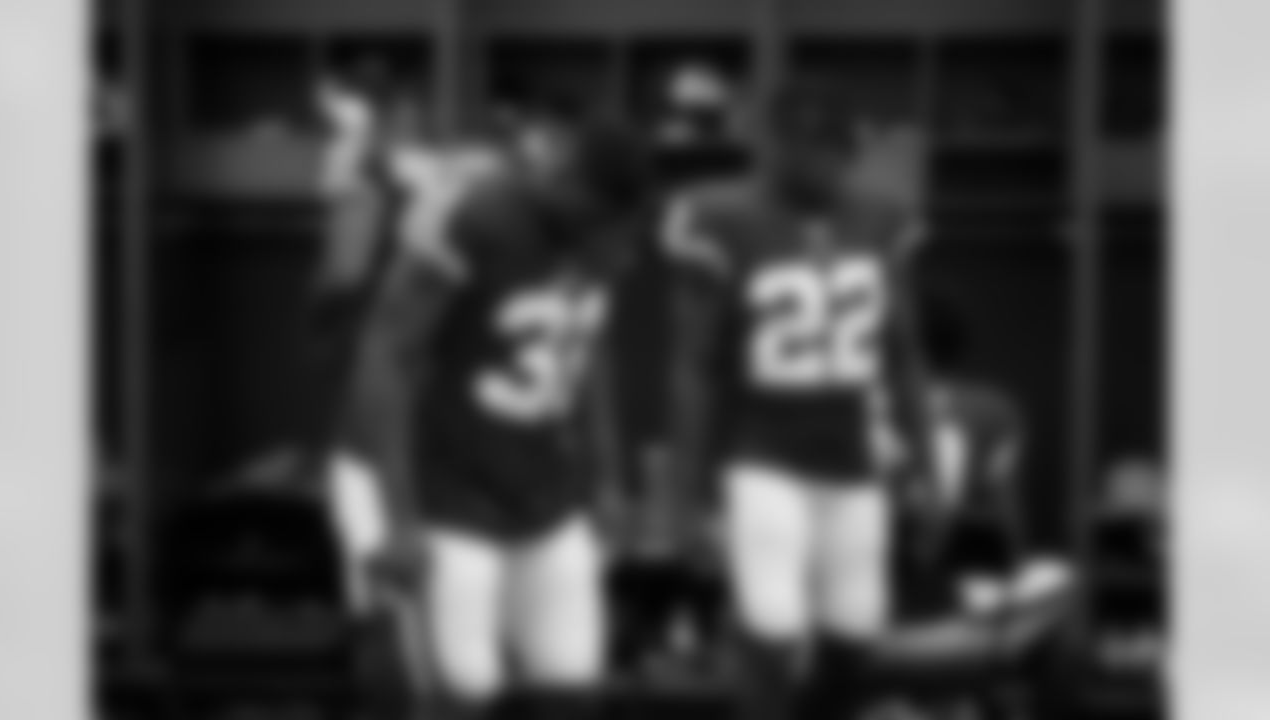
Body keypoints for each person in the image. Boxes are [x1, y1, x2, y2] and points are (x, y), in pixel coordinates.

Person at [340, 108, 652, 720]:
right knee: (462, 690)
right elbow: (385, 355)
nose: (621, 252)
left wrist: (608, 479)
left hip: (538, 486)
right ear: (575, 194)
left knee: (571, 686)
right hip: (442, 486)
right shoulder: (477, 215)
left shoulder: (598, 238)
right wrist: (398, 517)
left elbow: (591, 353)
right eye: (610, 230)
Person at [662, 84, 932, 720]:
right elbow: (695, 366)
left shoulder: (881, 216)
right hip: (763, 456)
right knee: (772, 627)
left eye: (841, 146)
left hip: (852, 459)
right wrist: (688, 494)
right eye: (816, 144)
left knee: (856, 634)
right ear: (776, 144)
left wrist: (924, 465)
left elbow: (902, 352)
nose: (832, 161)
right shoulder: (721, 216)